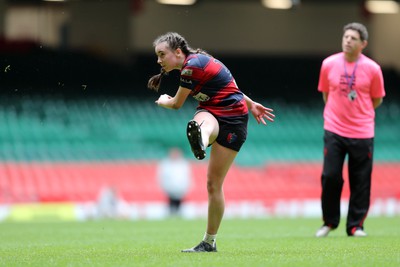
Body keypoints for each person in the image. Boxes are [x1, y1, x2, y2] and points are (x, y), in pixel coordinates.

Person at [147, 32, 275, 252]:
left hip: (233, 121)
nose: (159, 60)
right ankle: (202, 139)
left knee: (213, 182)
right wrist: (252, 103)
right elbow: (228, 85)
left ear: (178, 52)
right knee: (211, 177)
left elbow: (177, 104)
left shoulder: (191, 67)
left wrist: (163, 101)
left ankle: (202, 139)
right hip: (214, 112)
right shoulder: (199, 62)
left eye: (162, 55)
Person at [315, 22, 385, 237]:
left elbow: (377, 99)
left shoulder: (373, 69)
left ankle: (355, 226)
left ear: (363, 43)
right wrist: (338, 114)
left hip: (363, 132)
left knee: (361, 180)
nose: (347, 41)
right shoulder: (328, 64)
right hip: (334, 129)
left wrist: (359, 115)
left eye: (353, 38)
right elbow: (326, 94)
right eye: (346, 37)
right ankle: (329, 222)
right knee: (330, 176)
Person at [157, 147, 191, 216]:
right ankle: (172, 213)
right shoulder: (166, 164)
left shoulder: (183, 164)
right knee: (171, 203)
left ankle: (177, 213)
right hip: (170, 188)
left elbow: (186, 176)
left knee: (179, 203)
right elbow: (162, 176)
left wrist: (186, 186)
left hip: (180, 188)